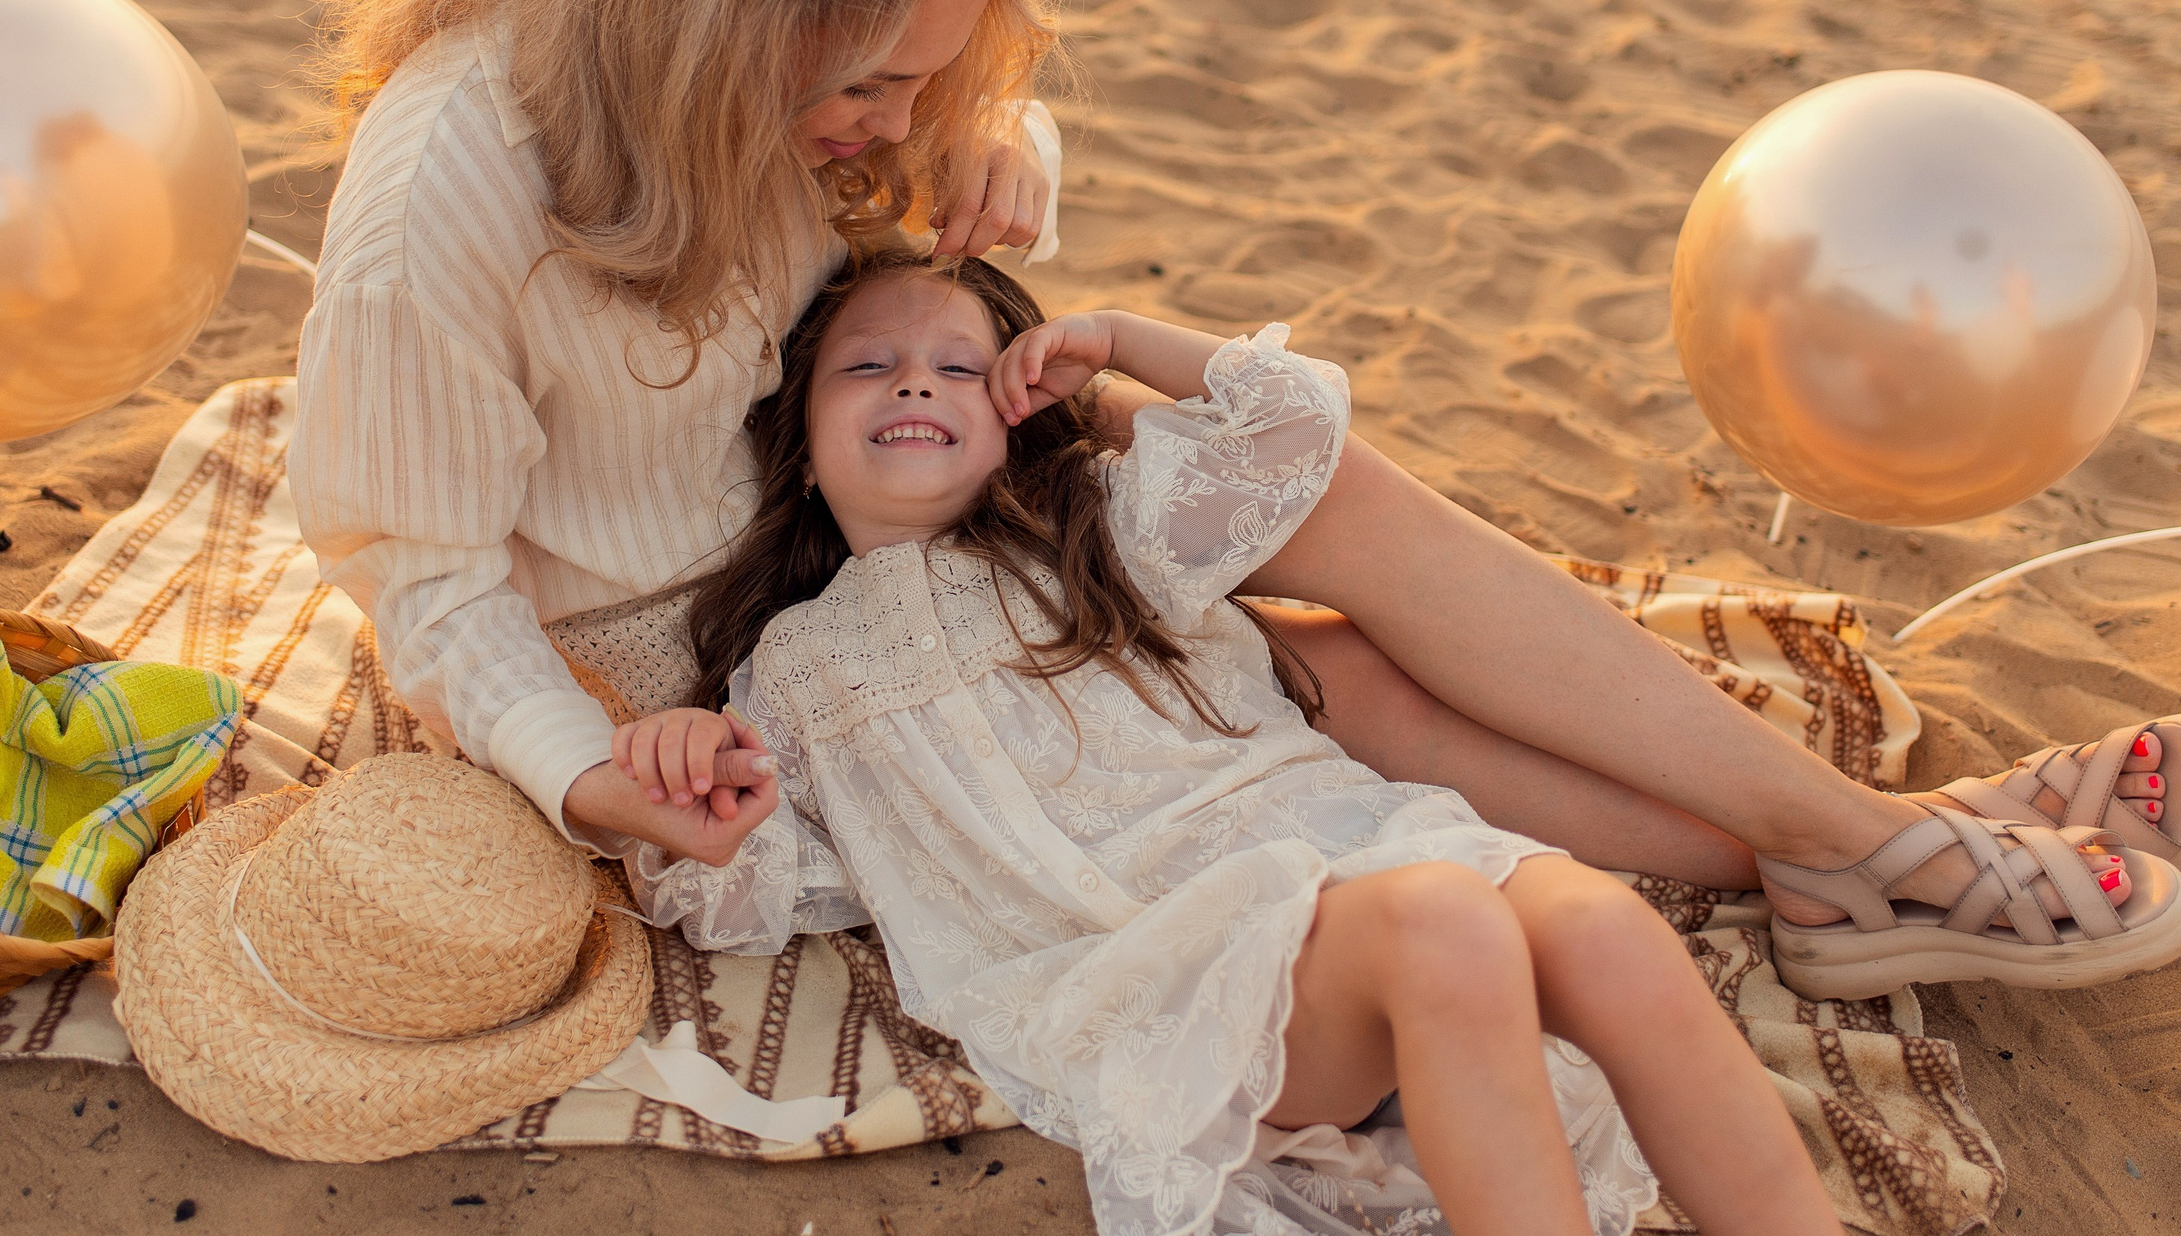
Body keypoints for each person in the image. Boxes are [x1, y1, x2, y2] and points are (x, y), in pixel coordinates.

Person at [289, 0, 2181, 1002]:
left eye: (917, 84)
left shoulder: (788, 75)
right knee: (1327, 686)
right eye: (868, 89)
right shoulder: (455, 172)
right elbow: (433, 582)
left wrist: (985, 159)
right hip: (687, 632)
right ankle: (1884, 845)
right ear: (725, 14)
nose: (882, 131)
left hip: (858, 462)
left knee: (1324, 513)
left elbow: (908, 140)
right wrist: (588, 766)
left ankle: (1854, 845)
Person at [627, 249, 1837, 1236]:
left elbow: (1288, 428)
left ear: (1016, 414)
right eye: (868, 366)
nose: (914, 385)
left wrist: (1113, 343)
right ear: (796, 429)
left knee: (1601, 926)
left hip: (1343, 853)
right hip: (1167, 970)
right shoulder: (783, 665)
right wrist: (686, 769)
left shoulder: (1098, 533)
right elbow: (744, 887)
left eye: (958, 366)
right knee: (1445, 922)